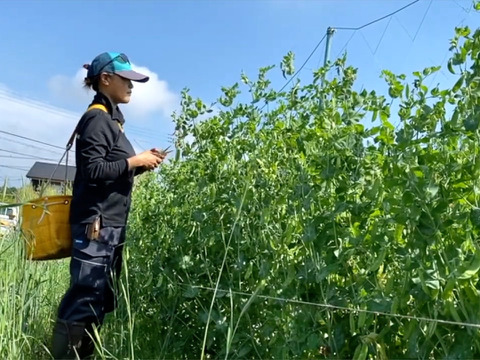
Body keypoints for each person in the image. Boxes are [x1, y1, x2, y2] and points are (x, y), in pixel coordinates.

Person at [51, 52, 165, 359]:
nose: (132, 87)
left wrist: (142, 164)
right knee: (85, 294)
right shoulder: (97, 119)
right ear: (106, 79)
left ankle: (83, 355)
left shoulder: (112, 121)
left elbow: (112, 169)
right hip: (96, 226)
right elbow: (93, 171)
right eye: (126, 80)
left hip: (109, 225)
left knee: (99, 295)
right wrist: (134, 160)